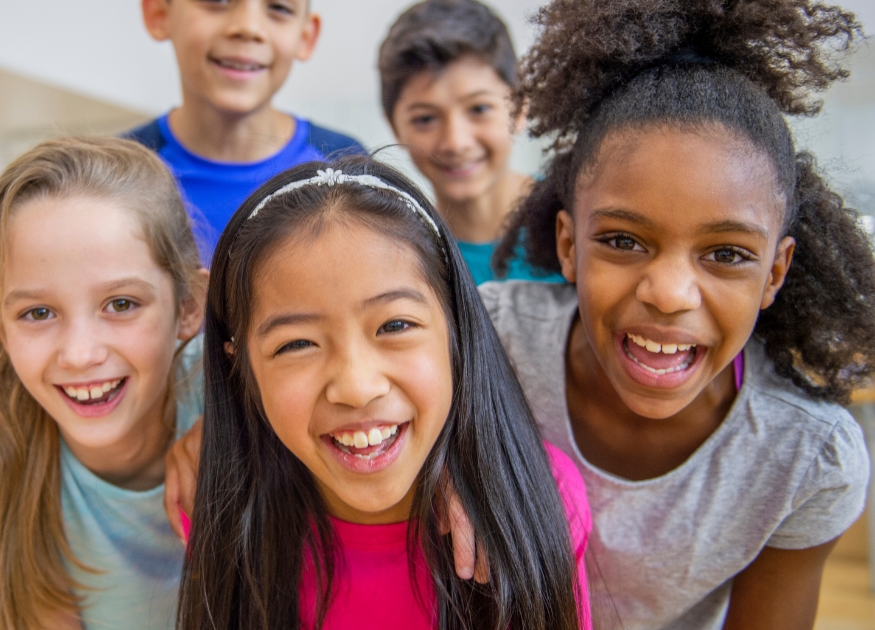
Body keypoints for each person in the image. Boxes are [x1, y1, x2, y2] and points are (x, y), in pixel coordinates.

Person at [468, 0, 873, 627]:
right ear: (570, 246)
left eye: (727, 253)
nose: (670, 293)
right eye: (624, 241)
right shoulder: (489, 346)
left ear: (775, 272)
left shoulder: (805, 457)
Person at [178, 157, 591, 629]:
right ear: (240, 366)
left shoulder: (537, 497)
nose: (356, 387)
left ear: (457, 328)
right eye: (297, 344)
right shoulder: (222, 513)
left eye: (395, 325)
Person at [0, 137, 207, 630]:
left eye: (122, 304)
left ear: (189, 305)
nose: (80, 354)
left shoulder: (247, 401)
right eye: (38, 313)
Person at [129, 0, 365, 261]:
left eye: (279, 7)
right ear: (159, 14)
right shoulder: (111, 178)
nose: (248, 28)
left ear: (306, 36)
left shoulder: (346, 166)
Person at [379, 0, 562, 284]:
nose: (455, 142)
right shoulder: (398, 257)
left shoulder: (572, 221)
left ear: (520, 107)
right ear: (394, 126)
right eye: (425, 119)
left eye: (479, 109)